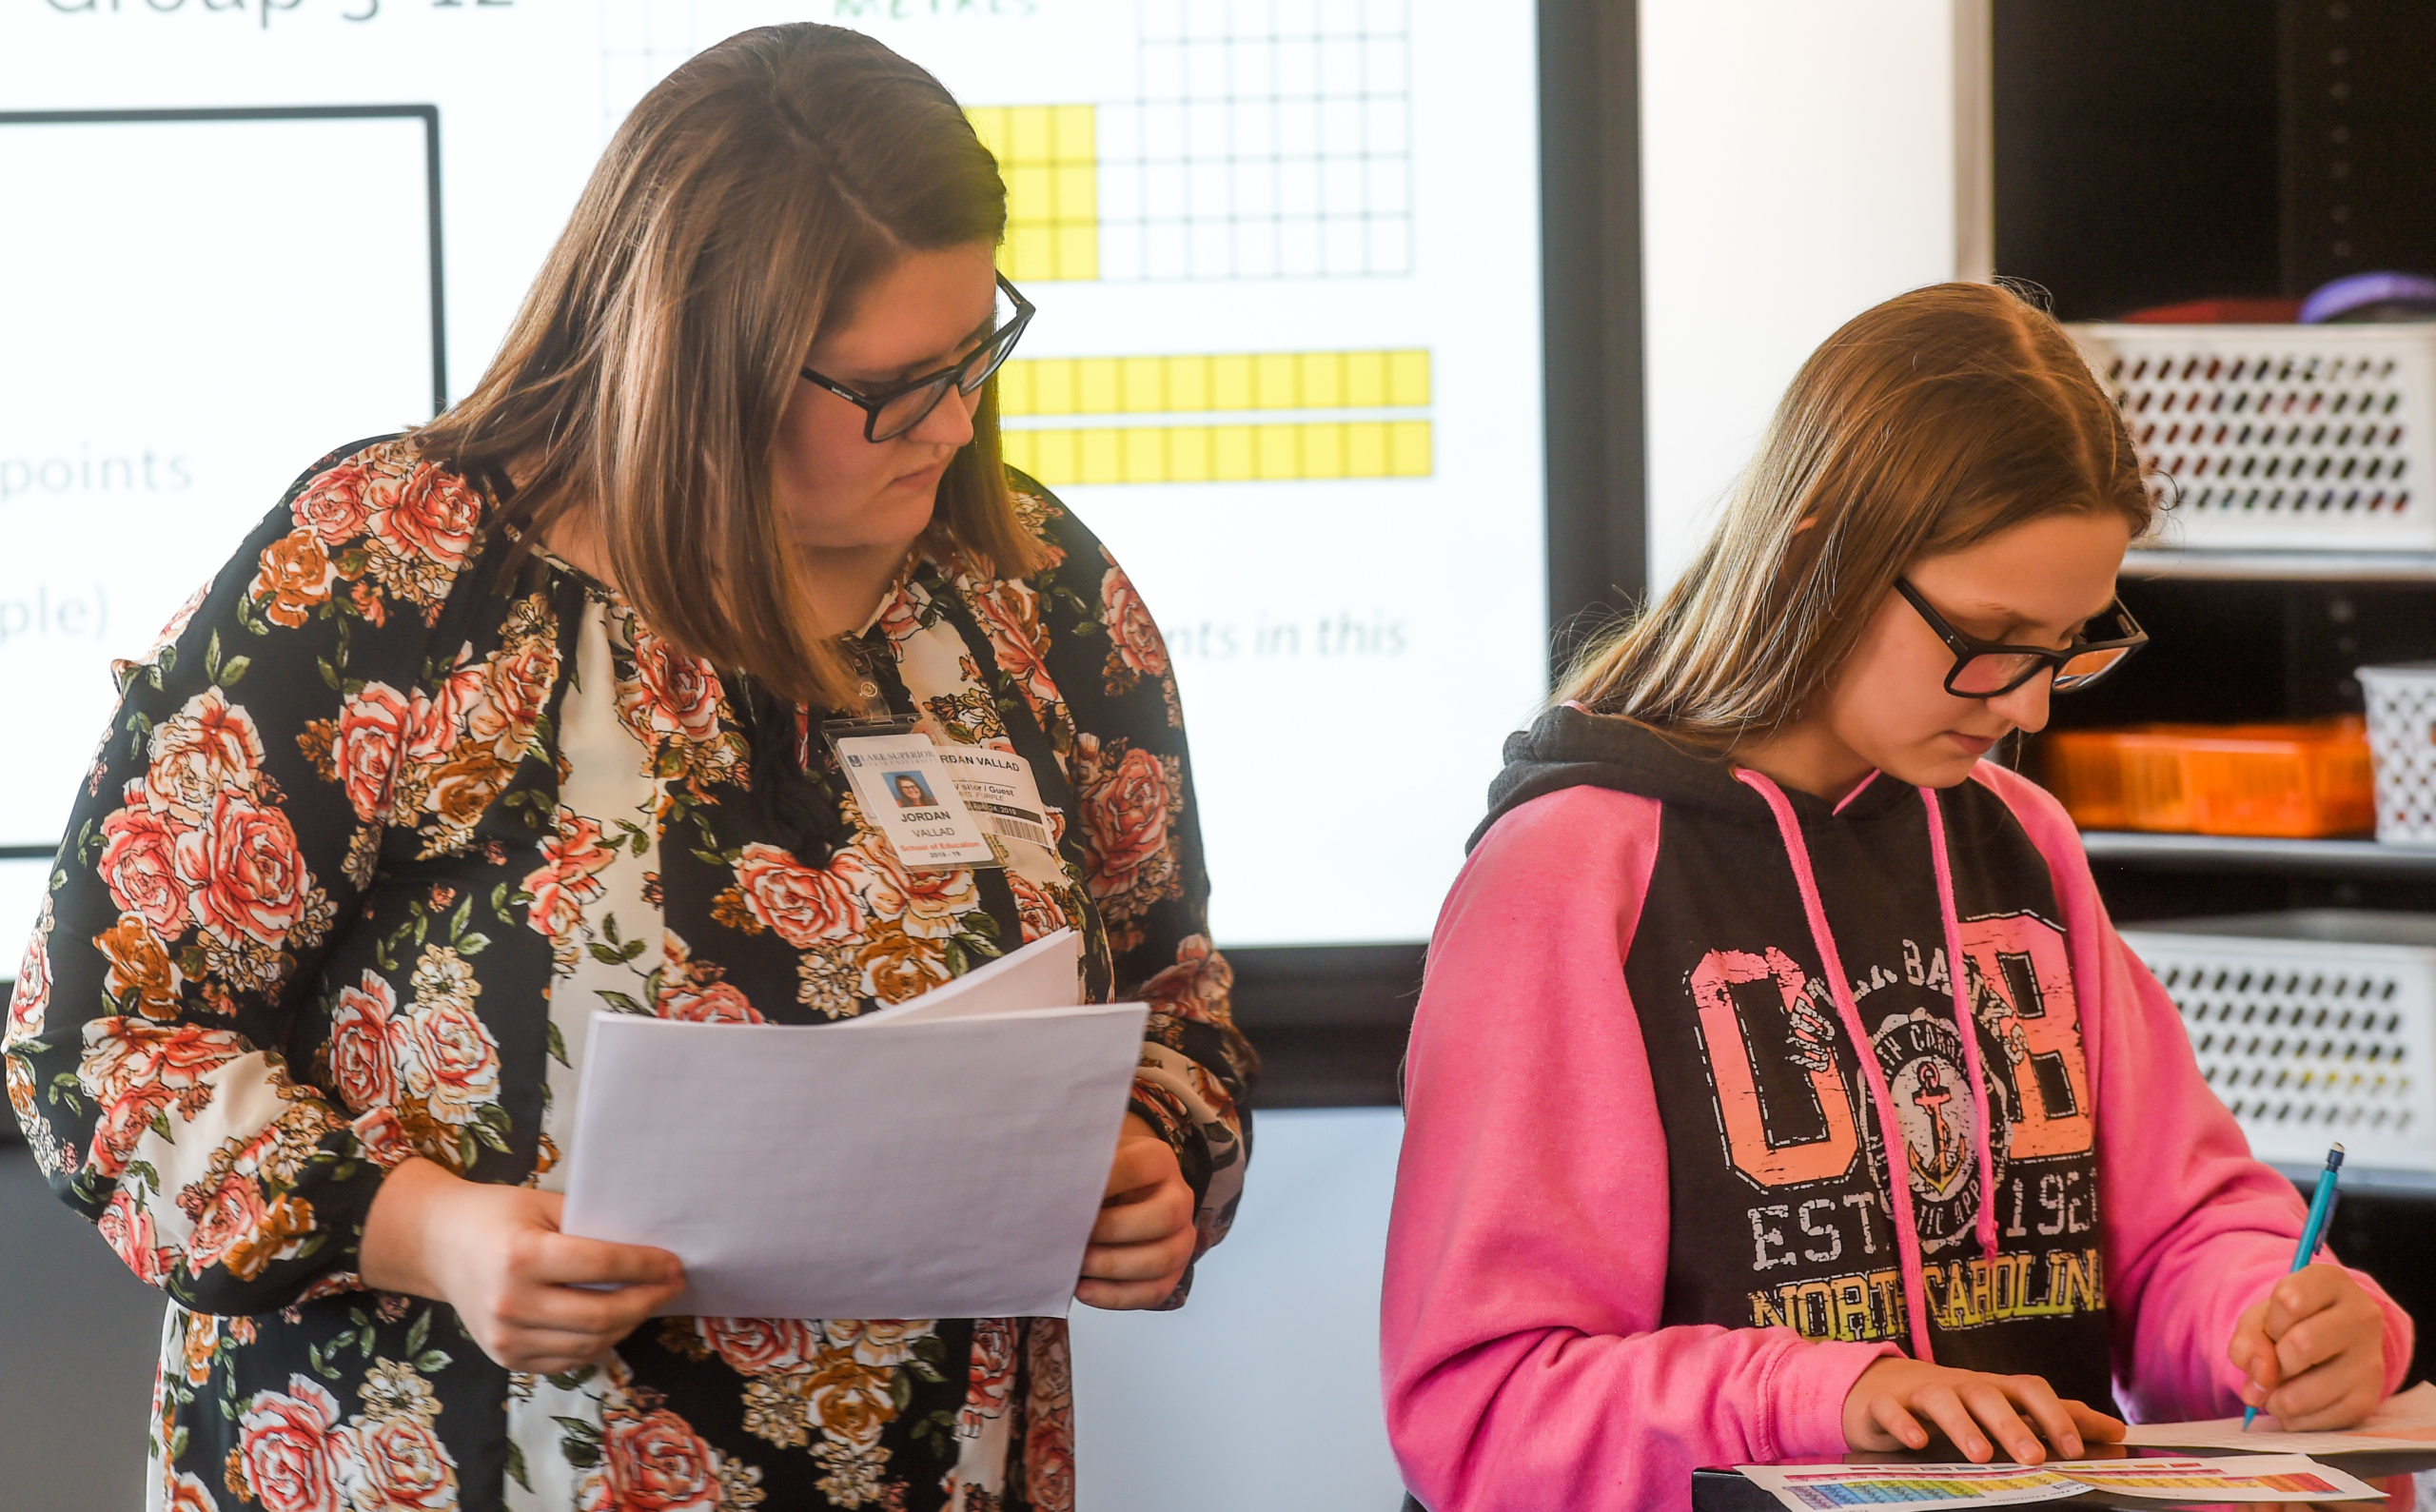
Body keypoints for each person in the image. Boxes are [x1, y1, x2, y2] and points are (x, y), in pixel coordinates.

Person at [4, 24, 1253, 1512]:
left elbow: (1180, 1016)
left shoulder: (1031, 588)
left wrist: (1159, 1165)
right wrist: (432, 1233)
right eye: (893, 387)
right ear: (701, 363)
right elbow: (100, 1041)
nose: (958, 420)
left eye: (979, 349)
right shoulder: (395, 573)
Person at [1379, 283, 2414, 1511]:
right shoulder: (1570, 874)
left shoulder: (2022, 844)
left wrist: (2270, 1316)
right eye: (1989, 637)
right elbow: (1486, 1409)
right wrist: (1834, 1398)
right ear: (1821, 551)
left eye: (2071, 643)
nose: (2028, 706)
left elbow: (2182, 1230)